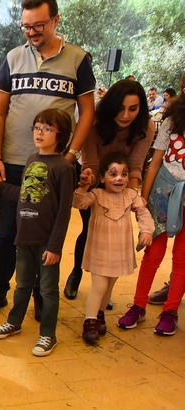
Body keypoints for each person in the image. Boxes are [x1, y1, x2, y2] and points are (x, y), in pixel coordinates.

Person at [0, 0, 95, 317]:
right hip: (13, 160)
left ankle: (42, 296)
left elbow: (87, 112)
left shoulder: (78, 59)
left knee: (43, 234)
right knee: (6, 232)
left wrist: (71, 154)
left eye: (38, 26)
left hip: (53, 165)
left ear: (55, 20)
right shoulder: (14, 58)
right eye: (26, 27)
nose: (31, 33)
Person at [0, 109, 74, 357]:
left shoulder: (64, 167)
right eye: (37, 126)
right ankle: (14, 322)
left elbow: (63, 211)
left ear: (60, 135)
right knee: (22, 284)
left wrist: (55, 246)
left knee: (47, 290)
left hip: (47, 242)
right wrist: (0, 186)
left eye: (47, 128)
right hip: (24, 239)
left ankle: (48, 334)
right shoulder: (31, 160)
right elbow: (24, 196)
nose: (40, 132)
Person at [64, 79, 154, 300]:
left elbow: (135, 167)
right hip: (93, 181)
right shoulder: (94, 122)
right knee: (90, 229)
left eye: (133, 109)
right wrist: (97, 192)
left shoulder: (146, 127)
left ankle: (104, 288)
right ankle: (76, 273)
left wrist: (129, 198)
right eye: (120, 108)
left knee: (116, 233)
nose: (125, 115)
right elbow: (91, 166)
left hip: (123, 184)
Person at [117, 94, 185, 335]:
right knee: (152, 253)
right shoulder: (171, 121)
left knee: (182, 259)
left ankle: (170, 311)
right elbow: (155, 161)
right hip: (162, 193)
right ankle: (138, 305)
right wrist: (143, 200)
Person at [73, 153, 153, 342]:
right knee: (99, 286)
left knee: (109, 287)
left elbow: (143, 212)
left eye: (124, 175)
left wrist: (147, 230)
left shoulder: (131, 195)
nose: (119, 178)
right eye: (113, 174)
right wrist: (83, 187)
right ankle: (90, 321)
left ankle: (100, 315)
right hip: (100, 249)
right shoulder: (97, 195)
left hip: (120, 251)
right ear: (102, 178)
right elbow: (79, 203)